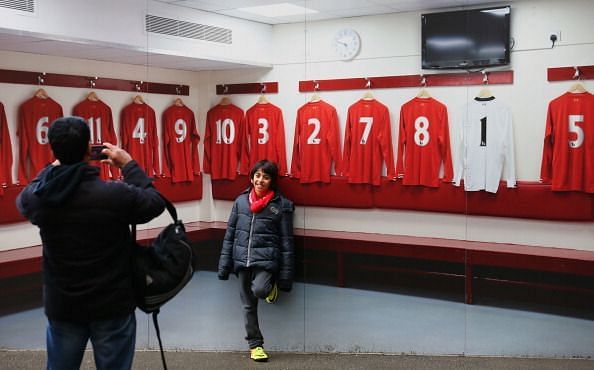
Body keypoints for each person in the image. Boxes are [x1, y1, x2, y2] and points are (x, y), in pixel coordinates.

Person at [16, 116, 165, 370]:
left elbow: (27, 194)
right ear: (89, 149)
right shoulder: (114, 195)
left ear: (53, 149)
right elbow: (155, 202)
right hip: (113, 304)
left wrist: (55, 167)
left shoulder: (40, 199)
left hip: (64, 305)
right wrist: (129, 165)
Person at [218, 159, 295, 362]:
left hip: (267, 261)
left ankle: (272, 288)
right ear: (252, 178)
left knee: (260, 290)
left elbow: (287, 242)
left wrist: (285, 278)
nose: (261, 180)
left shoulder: (280, 206)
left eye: (266, 177)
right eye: (258, 176)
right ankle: (256, 346)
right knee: (248, 306)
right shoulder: (240, 202)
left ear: (272, 181)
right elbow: (230, 234)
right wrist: (224, 266)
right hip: (242, 260)